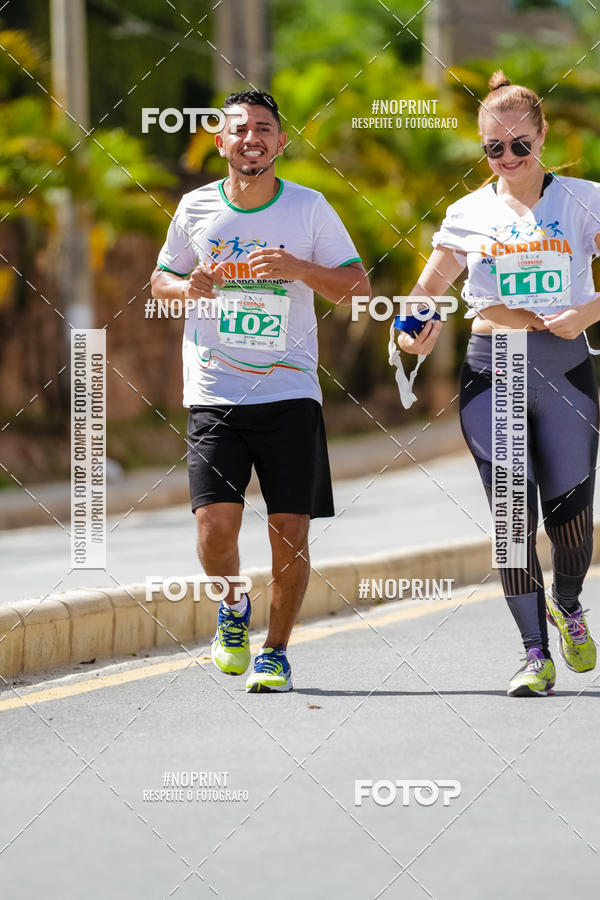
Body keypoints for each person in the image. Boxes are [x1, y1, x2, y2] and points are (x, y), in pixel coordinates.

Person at [150, 90, 370, 693]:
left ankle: (275, 652)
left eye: (265, 128)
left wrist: (299, 269)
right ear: (220, 143)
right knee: (214, 529)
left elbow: (357, 287)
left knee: (289, 534)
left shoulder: (309, 208)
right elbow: (160, 279)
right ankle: (232, 608)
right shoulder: (194, 209)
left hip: (290, 393)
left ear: (281, 142)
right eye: (239, 129)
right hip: (215, 392)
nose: (252, 137)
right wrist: (185, 288)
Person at [397, 70, 599, 697]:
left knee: (570, 516)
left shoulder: (584, 199)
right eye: (495, 149)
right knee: (513, 519)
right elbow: (426, 292)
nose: (509, 159)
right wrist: (408, 334)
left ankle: (569, 604)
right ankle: (533, 652)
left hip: (566, 367)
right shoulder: (467, 213)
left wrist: (586, 313)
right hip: (495, 365)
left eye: (521, 146)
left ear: (543, 138)